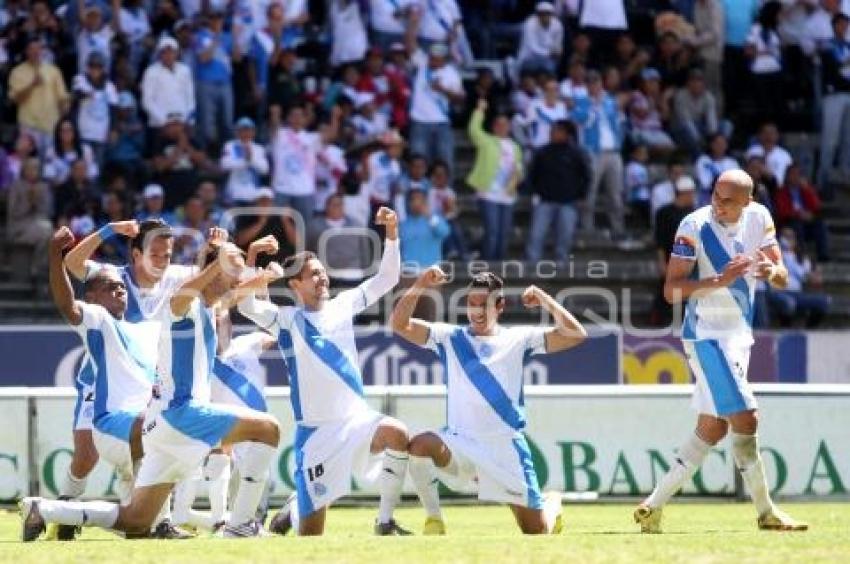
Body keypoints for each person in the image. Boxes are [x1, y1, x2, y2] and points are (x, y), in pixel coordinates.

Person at [22, 236, 283, 540]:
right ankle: (240, 525)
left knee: (135, 521)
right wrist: (215, 263)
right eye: (230, 273)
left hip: (159, 427)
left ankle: (46, 509)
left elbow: (232, 296)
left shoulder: (204, 308)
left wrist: (261, 273)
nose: (235, 281)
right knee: (268, 429)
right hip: (179, 415)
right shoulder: (181, 302)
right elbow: (185, 295)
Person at [635, 169, 808, 533]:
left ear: (748, 201)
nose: (718, 204)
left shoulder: (760, 217)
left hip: (738, 335)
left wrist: (769, 270)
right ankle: (766, 512)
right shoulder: (693, 226)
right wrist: (721, 280)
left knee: (712, 428)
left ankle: (652, 507)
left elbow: (782, 276)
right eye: (715, 195)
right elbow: (671, 290)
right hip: (705, 336)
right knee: (747, 418)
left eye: (728, 200)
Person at [238, 207, 411, 537]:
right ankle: (294, 507)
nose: (322, 278)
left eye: (322, 272)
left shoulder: (343, 304)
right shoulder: (286, 320)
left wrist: (391, 231)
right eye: (313, 274)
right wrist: (253, 257)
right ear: (295, 285)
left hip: (356, 420)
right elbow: (246, 306)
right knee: (311, 537)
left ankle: (385, 522)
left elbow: (387, 278)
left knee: (397, 434)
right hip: (316, 435)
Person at [391, 268, 586, 534]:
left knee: (537, 531)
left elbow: (577, 334)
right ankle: (434, 520)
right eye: (472, 304)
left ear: (500, 305)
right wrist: (421, 284)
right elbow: (399, 324)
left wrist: (545, 300)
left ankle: (551, 503)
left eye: (484, 304)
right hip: (461, 442)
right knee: (419, 445)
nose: (477, 311)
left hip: (504, 446)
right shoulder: (449, 337)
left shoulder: (518, 339)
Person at [47, 226, 154, 518]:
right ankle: (64, 508)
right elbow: (73, 266)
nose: (159, 256)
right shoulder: (111, 283)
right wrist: (109, 230)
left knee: (147, 442)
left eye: (164, 251)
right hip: (96, 383)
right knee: (86, 456)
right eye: (152, 250)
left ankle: (142, 515)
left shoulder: (169, 281)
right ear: (137, 253)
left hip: (132, 380)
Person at [525, 120, 590, 264]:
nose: (553, 133)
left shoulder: (576, 154)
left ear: (566, 134)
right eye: (552, 131)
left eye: (557, 131)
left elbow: (585, 176)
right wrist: (535, 191)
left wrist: (581, 196)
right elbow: (533, 174)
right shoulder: (542, 152)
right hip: (545, 200)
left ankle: (562, 262)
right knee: (536, 234)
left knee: (565, 235)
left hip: (568, 202)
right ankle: (532, 262)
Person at [466, 99, 523, 261]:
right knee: (492, 231)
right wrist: (479, 110)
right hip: (488, 194)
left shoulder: (515, 146)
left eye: (506, 124)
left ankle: (499, 265)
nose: (503, 127)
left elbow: (519, 168)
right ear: (494, 127)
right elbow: (473, 130)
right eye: (499, 124)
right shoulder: (486, 141)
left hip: (507, 195)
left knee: (503, 233)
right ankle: (488, 264)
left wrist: (517, 177)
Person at [572, 70, 625, 238]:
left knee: (615, 193)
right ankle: (587, 228)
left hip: (613, 152)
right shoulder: (581, 102)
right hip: (593, 153)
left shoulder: (610, 101)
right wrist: (593, 106)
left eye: (597, 82)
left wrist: (619, 142)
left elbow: (619, 122)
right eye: (591, 83)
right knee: (590, 191)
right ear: (587, 86)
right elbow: (577, 119)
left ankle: (618, 228)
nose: (594, 86)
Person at [405, 25, 465, 173]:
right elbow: (410, 43)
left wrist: (443, 90)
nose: (433, 61)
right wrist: (414, 22)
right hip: (419, 121)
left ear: (444, 59)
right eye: (432, 57)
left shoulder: (452, 73)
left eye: (437, 59)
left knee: (445, 161)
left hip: (442, 123)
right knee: (418, 161)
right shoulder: (422, 65)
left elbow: (460, 99)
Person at [269, 104, 340, 225]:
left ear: (305, 119)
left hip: (305, 191)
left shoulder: (311, 138)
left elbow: (331, 136)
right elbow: (274, 126)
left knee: (304, 229)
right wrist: (275, 114)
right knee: (276, 227)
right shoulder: (280, 134)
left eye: (300, 116)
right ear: (288, 118)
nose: (297, 118)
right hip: (281, 189)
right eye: (293, 115)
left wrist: (335, 117)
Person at [7, 37, 69, 154]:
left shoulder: (54, 71)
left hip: (51, 125)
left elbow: (62, 97)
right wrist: (32, 85)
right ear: (26, 51)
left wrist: (64, 110)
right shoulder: (17, 72)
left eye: (38, 48)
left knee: (48, 166)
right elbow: (15, 100)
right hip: (28, 126)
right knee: (29, 165)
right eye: (32, 49)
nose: (35, 52)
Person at [651, 176, 697, 326]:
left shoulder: (694, 214)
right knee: (665, 294)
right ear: (685, 193)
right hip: (671, 260)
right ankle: (658, 323)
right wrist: (661, 262)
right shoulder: (664, 213)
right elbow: (660, 240)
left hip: (690, 261)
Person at [768, 228, 830, 328]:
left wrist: (817, 275)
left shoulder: (801, 258)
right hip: (778, 293)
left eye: (790, 237)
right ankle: (786, 329)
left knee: (824, 301)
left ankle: (809, 330)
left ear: (795, 241)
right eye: (785, 236)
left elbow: (813, 279)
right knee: (789, 303)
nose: (787, 240)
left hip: (797, 294)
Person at [306, 194, 372, 283]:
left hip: (353, 273)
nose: (337, 207)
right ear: (326, 206)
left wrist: (366, 272)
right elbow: (309, 249)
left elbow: (365, 250)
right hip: (327, 273)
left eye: (340, 204)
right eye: (333, 205)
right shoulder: (315, 226)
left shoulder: (356, 225)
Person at [6, 158, 52, 283]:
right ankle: (37, 268)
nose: (32, 171)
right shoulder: (16, 186)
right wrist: (28, 201)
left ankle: (37, 269)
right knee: (46, 231)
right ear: (24, 170)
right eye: (29, 168)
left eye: (35, 168)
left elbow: (47, 211)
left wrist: (37, 200)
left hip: (38, 224)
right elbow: (12, 212)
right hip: (18, 226)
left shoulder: (43, 187)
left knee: (47, 230)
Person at [818, 12, 850, 191]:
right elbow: (833, 68)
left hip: (848, 93)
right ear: (834, 25)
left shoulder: (848, 45)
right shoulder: (828, 46)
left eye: (846, 24)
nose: (844, 28)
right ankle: (824, 176)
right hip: (833, 94)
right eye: (841, 24)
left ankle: (846, 174)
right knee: (830, 138)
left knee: (848, 138)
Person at [773, 163, 831, 262]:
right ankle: (801, 255)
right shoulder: (781, 192)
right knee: (796, 225)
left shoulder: (805, 190)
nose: (795, 177)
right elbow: (782, 211)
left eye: (798, 174)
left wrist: (807, 189)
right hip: (790, 223)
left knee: (820, 224)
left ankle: (823, 254)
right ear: (787, 176)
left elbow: (816, 206)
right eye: (793, 174)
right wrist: (799, 214)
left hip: (806, 222)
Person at [141, 36, 195, 131]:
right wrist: (165, 121)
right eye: (164, 52)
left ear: (176, 53)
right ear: (160, 54)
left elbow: (190, 98)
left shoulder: (185, 70)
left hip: (182, 122)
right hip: (160, 125)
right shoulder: (151, 72)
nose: (168, 55)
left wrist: (187, 120)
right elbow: (147, 101)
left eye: (171, 51)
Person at [221, 117, 269, 206]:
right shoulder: (230, 146)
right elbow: (225, 165)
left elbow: (264, 169)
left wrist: (251, 159)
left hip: (253, 194)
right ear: (237, 132)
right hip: (234, 194)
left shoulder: (259, 149)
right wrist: (245, 161)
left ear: (254, 132)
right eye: (243, 130)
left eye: (249, 130)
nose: (246, 133)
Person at [399, 189, 450, 272]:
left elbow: (444, 233)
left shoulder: (435, 219)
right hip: (408, 271)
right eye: (413, 200)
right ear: (408, 203)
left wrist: (429, 216)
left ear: (425, 202)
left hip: (431, 271)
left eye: (420, 200)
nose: (416, 203)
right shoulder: (403, 224)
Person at [516, 2, 563, 76]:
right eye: (542, 14)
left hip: (548, 58)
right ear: (537, 15)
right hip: (529, 57)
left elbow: (558, 44)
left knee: (553, 66)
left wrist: (557, 51)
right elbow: (532, 47)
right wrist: (549, 53)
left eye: (548, 14)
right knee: (547, 67)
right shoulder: (529, 24)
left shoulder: (558, 25)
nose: (545, 16)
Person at [695, 133, 738, 206]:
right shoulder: (703, 161)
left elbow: (736, 182)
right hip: (708, 196)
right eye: (717, 143)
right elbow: (705, 183)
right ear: (711, 145)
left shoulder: (732, 162)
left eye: (723, 143)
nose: (720, 146)